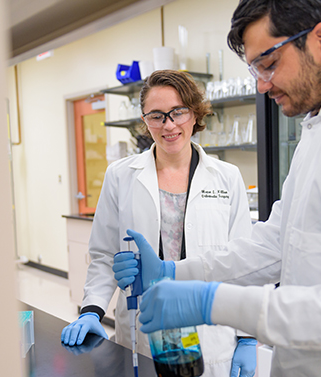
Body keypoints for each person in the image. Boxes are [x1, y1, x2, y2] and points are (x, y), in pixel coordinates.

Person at [112, 1, 321, 376]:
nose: (261, 84)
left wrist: (212, 303)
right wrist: (176, 272)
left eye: (268, 63)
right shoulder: (320, 130)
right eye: (255, 68)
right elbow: (273, 245)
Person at [61, 69, 257, 377]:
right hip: (142, 327)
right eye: (156, 116)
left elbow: (244, 262)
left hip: (211, 330)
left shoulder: (227, 177)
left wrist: (248, 338)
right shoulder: (120, 176)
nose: (169, 125)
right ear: (144, 119)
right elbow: (102, 255)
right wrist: (91, 311)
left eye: (178, 112)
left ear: (194, 113)